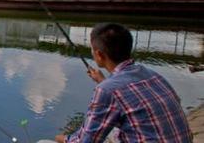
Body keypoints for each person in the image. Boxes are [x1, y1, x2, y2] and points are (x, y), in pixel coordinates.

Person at [54, 23, 193, 143]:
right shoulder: (153, 75)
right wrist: (103, 81)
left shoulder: (106, 90)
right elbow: (127, 97)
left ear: (99, 55)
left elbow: (86, 141)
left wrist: (62, 138)